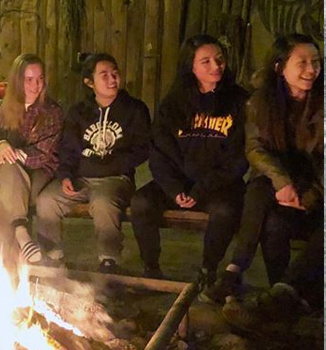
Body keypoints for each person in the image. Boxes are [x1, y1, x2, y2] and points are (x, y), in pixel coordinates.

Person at [205, 34, 323, 312]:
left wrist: (314, 194)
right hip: (281, 185)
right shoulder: (261, 102)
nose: (311, 70)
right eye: (302, 63)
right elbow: (256, 148)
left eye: (316, 62)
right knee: (265, 205)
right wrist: (283, 183)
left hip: (316, 185)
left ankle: (287, 291)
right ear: (279, 67)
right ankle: (266, 286)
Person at [131, 35, 248, 280]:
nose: (216, 66)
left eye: (219, 59)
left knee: (225, 211)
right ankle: (151, 267)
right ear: (191, 66)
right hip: (179, 184)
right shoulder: (174, 102)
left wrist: (201, 188)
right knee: (141, 203)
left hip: (218, 185)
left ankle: (207, 269)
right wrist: (174, 189)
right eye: (206, 61)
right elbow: (159, 152)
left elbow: (239, 158)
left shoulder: (239, 101)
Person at [35, 53, 151, 272]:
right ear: (90, 82)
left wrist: (112, 163)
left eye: (115, 73)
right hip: (81, 177)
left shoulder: (134, 110)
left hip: (115, 178)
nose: (112, 79)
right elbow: (68, 148)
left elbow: (142, 148)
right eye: (104, 75)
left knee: (103, 204)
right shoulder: (79, 112)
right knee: (47, 201)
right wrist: (65, 176)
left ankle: (109, 260)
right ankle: (52, 257)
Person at [0, 54, 63, 266]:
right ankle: (21, 230)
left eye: (39, 79)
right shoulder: (3, 109)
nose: (35, 85)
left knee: (0, 198)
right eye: (28, 79)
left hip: (38, 170)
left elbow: (44, 154)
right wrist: (1, 146)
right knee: (7, 165)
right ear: (17, 80)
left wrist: (13, 153)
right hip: (3, 169)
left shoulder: (52, 112)